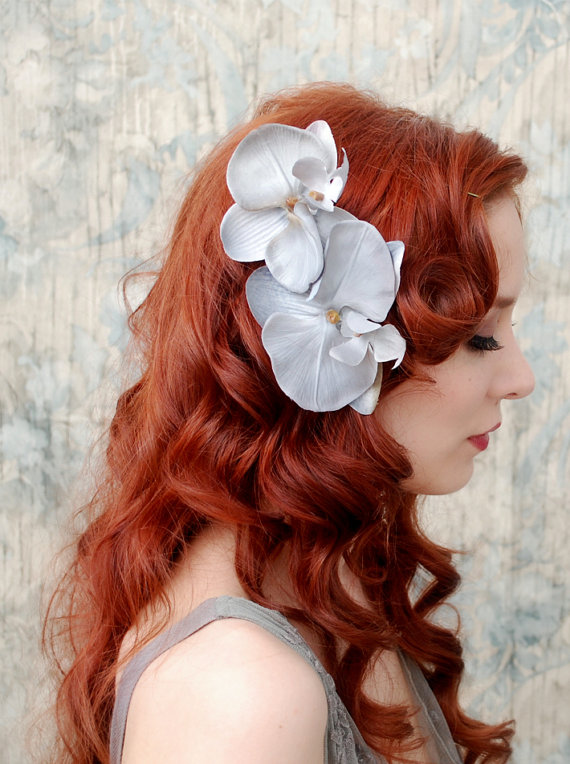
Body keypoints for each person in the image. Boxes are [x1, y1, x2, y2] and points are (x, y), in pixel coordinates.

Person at [45, 82, 535, 764]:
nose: (521, 379)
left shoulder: (331, 577)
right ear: (324, 347)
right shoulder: (242, 697)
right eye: (478, 337)